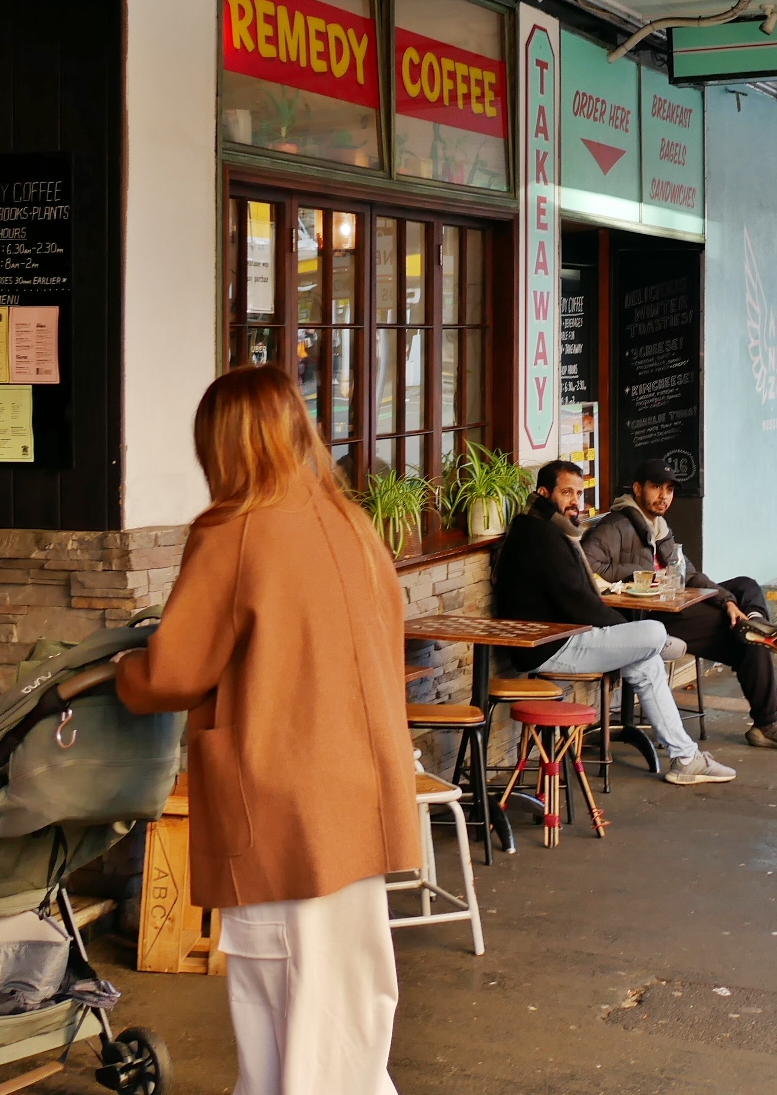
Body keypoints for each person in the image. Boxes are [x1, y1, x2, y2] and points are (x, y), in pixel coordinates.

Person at [114, 364, 417, 1095]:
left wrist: (123, 669)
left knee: (282, 997)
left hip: (281, 802)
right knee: (350, 994)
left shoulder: (236, 531)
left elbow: (173, 674)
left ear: (221, 444)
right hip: (363, 793)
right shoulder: (351, 521)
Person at [491, 459, 739, 785]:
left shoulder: (549, 529)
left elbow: (581, 601)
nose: (575, 502)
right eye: (567, 492)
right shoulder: (539, 536)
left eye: (579, 494)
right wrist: (627, 631)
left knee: (645, 659)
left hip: (566, 636)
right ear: (543, 492)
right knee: (652, 632)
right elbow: (579, 602)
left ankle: (686, 758)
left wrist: (626, 635)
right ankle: (658, 647)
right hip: (548, 646)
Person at [580, 458, 777, 752]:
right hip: (651, 615)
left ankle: (753, 621)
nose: (664, 496)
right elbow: (586, 564)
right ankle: (766, 722)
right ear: (638, 488)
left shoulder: (660, 528)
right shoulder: (617, 524)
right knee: (744, 641)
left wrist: (727, 601)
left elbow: (689, 574)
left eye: (669, 489)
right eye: (656, 487)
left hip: (675, 601)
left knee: (744, 585)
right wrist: (641, 575)